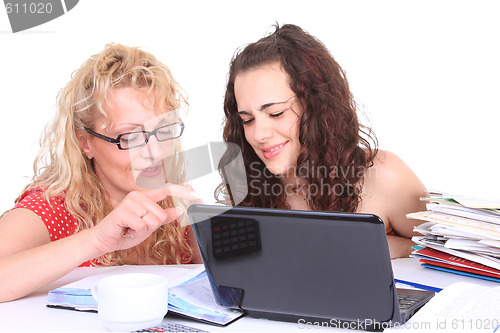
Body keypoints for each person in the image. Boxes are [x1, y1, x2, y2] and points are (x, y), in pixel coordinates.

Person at [0, 43, 202, 303]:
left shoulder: (178, 208)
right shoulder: (55, 208)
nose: (155, 152)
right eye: (130, 136)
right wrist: (97, 240)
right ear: (85, 142)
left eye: (163, 131)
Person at [219, 24, 426, 259]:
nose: (259, 134)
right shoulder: (249, 184)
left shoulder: (386, 176)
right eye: (247, 120)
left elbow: (451, 255)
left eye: (276, 113)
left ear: (315, 107)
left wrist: (388, 247)